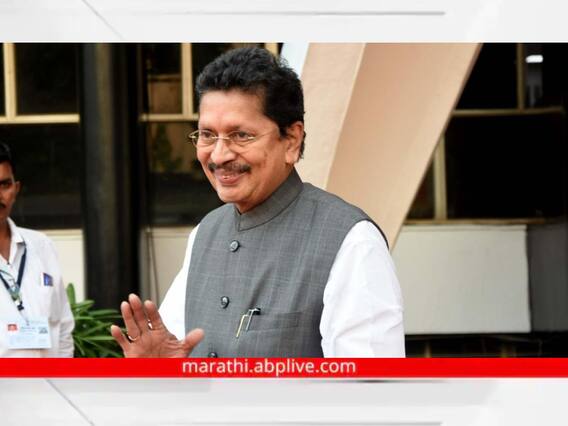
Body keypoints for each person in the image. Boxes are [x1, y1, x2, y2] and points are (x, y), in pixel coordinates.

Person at [111, 47, 404, 358]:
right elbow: (176, 355)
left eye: (241, 135)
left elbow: (368, 384)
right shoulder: (204, 234)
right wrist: (163, 372)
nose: (219, 155)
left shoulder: (351, 241)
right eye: (207, 134)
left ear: (291, 140)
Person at [0, 143, 74, 357]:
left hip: (47, 377)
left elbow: (63, 327)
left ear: (16, 189)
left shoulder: (41, 246)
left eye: (4, 184)